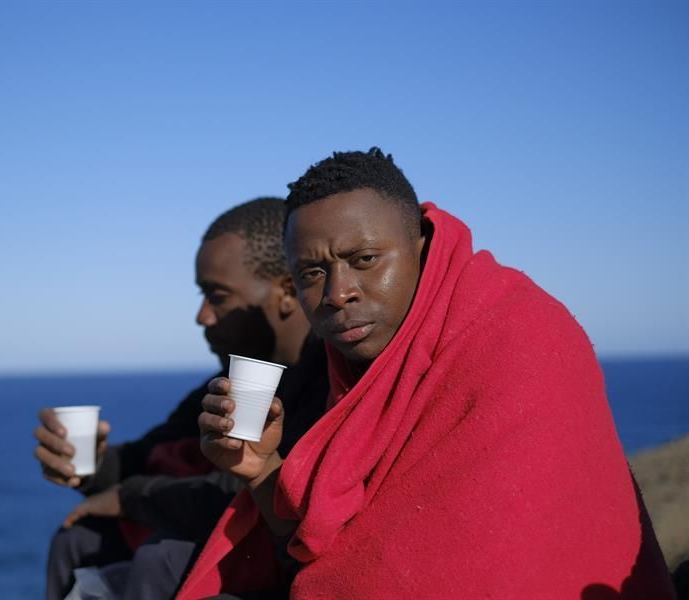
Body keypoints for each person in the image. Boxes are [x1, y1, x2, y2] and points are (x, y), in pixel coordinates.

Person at [184, 148, 676, 599]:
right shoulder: (358, 367)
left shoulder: (514, 336)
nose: (338, 292)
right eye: (313, 272)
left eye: (365, 260)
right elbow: (324, 547)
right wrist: (259, 467)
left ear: (420, 245)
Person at [34, 197, 328, 600]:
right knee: (78, 539)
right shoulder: (223, 386)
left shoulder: (329, 386)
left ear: (287, 292)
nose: (202, 316)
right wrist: (87, 465)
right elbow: (148, 453)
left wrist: (126, 497)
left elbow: (229, 494)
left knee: (163, 558)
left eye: (218, 296)